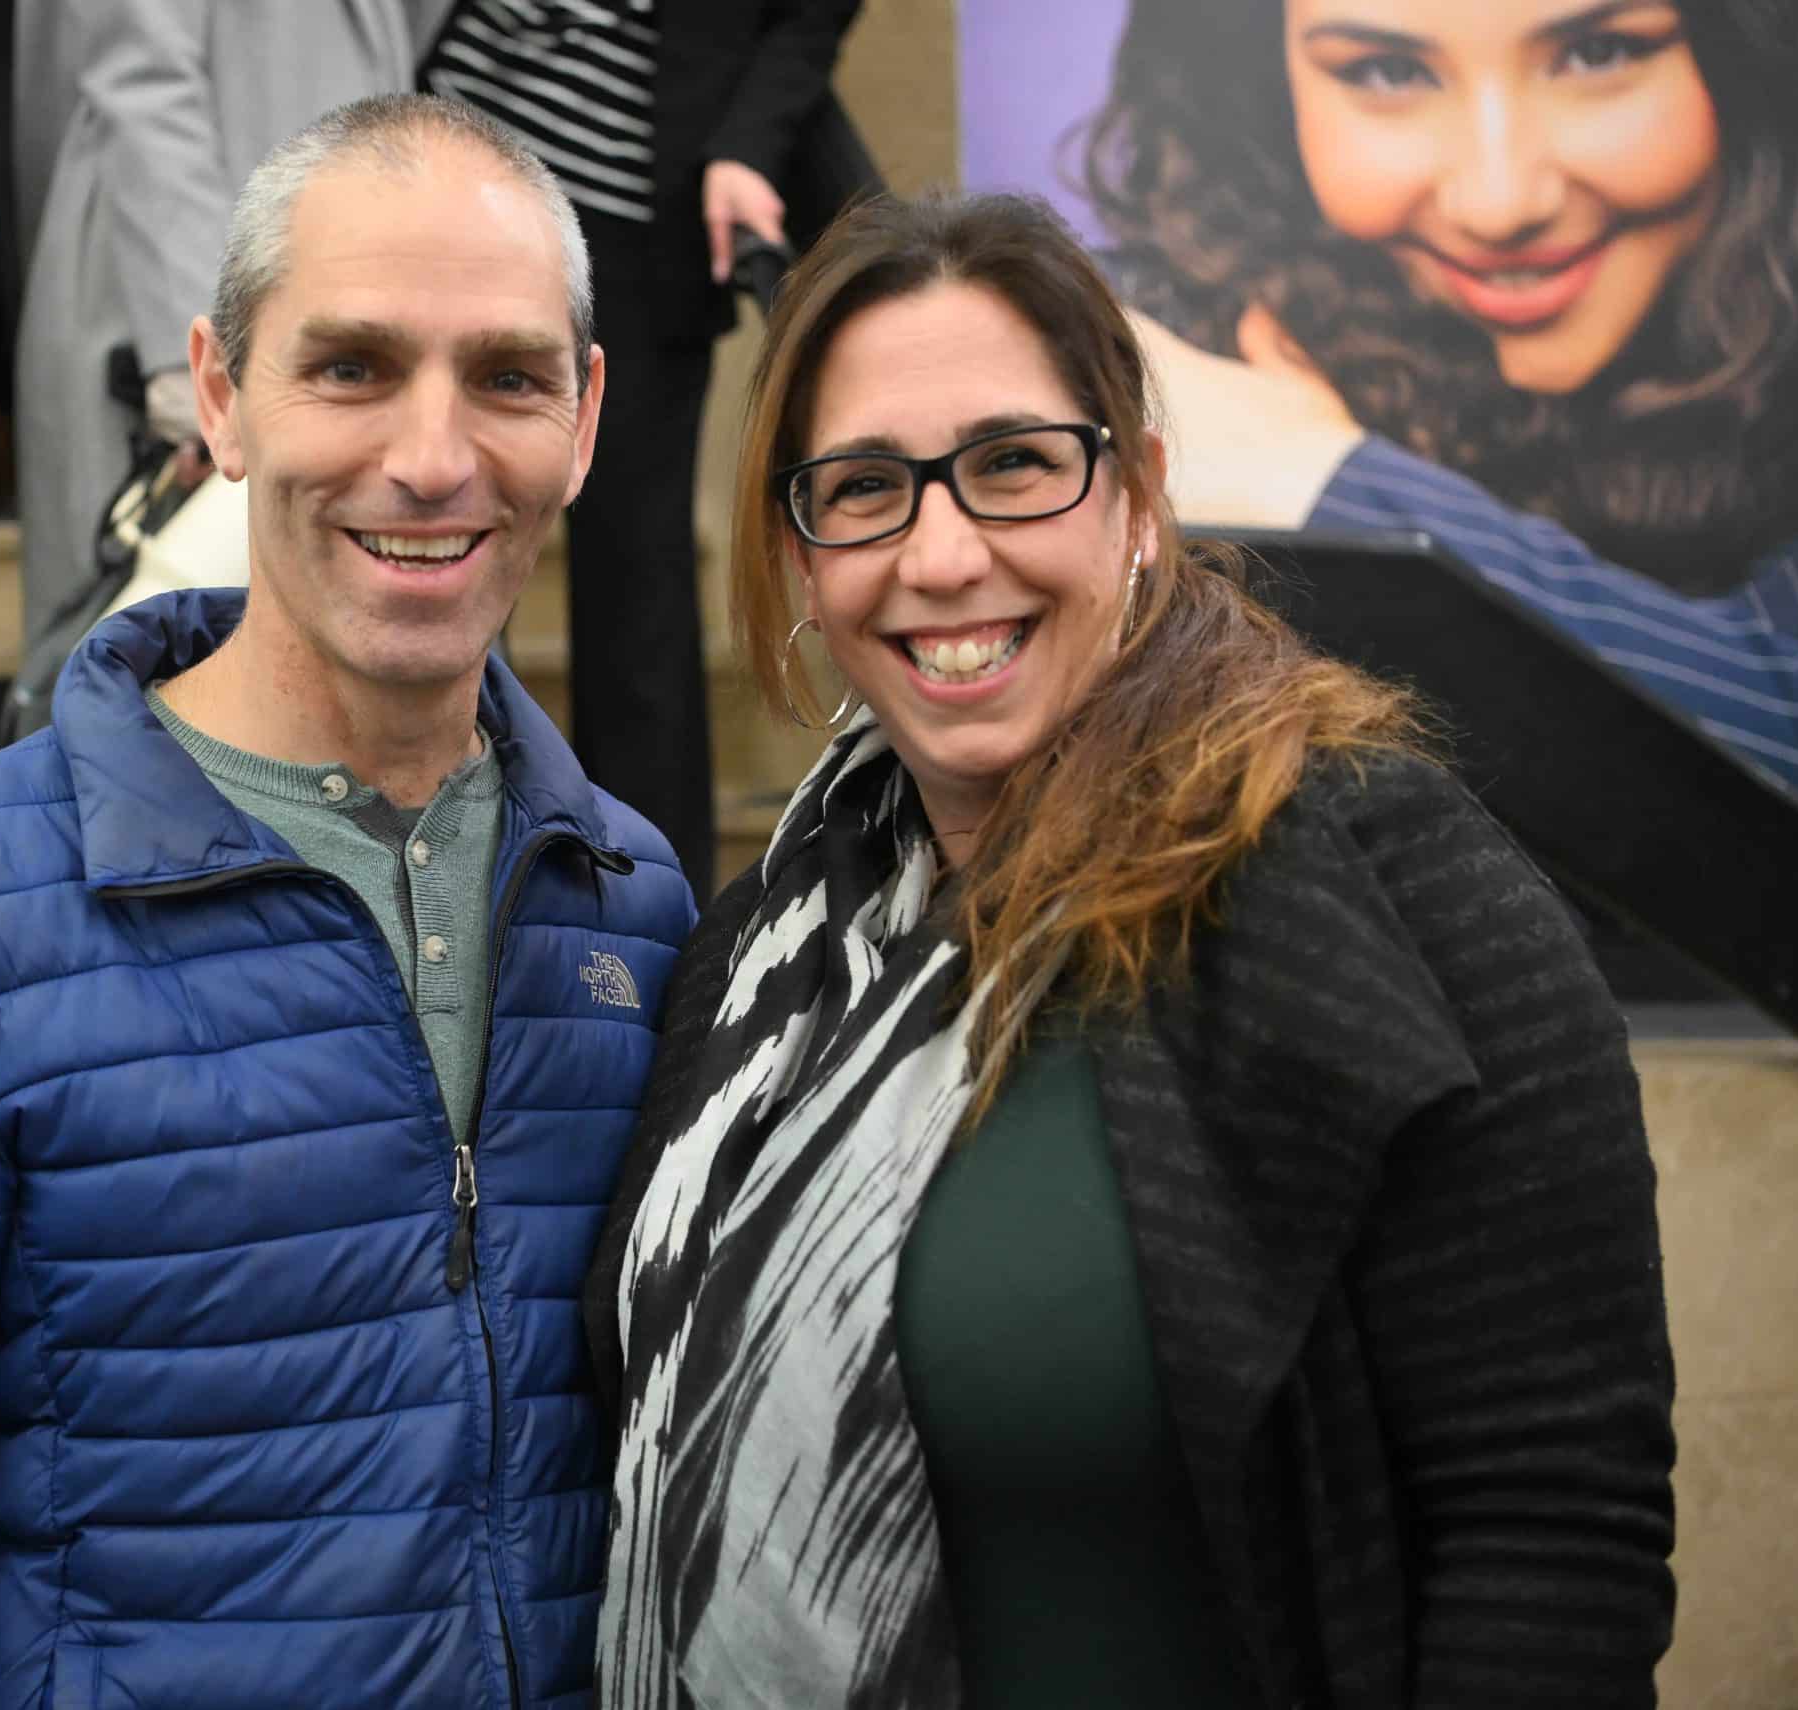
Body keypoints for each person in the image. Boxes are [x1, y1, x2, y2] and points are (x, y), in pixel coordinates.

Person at [0, 94, 695, 1708]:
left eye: (507, 377)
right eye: (351, 368)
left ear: (587, 415)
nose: (433, 458)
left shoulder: (633, 905)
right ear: (220, 393)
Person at [588, 191, 1677, 1707]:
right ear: (801, 551)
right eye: (865, 488)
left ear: (1139, 493)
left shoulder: (1387, 885)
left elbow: (1554, 1534)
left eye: (1014, 465)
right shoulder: (757, 954)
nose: (942, 554)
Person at [1081, 0, 1798, 866]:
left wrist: (1329, 491)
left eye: (1598, 53)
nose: (1499, 203)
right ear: (1266, 86)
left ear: (1767, 52)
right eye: (1387, 72)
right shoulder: (1158, 357)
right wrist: (1327, 486)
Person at [425, 0, 868, 900]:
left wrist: (751, 139)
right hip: (441, 166)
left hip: (637, 202)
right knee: (430, 563)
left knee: (639, 608)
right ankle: (438, 897)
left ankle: (645, 920)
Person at [10, 0, 431, 639]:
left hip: (342, 278)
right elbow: (144, 77)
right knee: (160, 649)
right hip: (184, 280)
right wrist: (209, 364)